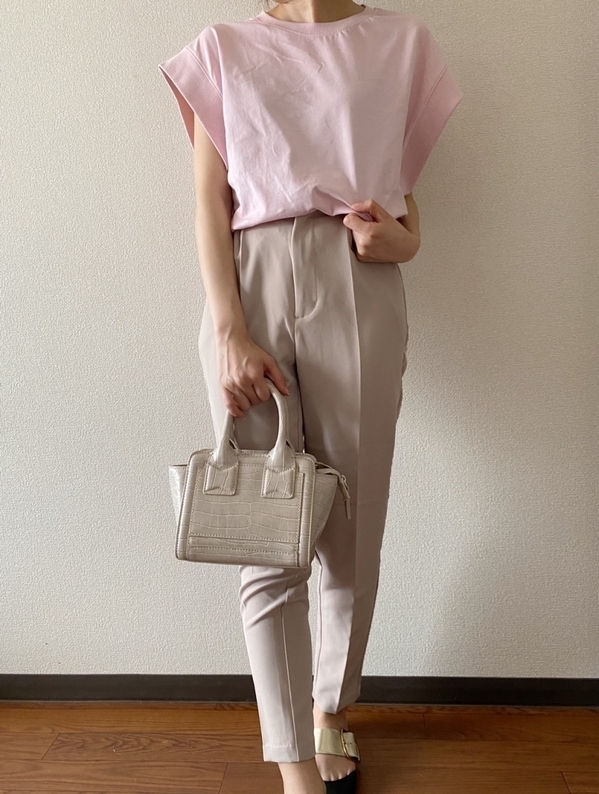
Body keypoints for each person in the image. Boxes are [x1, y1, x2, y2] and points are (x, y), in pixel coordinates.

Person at [158, 2, 463, 792]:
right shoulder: (224, 48)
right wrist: (228, 328)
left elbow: (398, 190)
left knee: (352, 527)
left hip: (358, 278)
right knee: (263, 528)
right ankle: (293, 762)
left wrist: (407, 242)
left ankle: (330, 709)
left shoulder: (400, 43)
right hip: (250, 280)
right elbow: (210, 198)